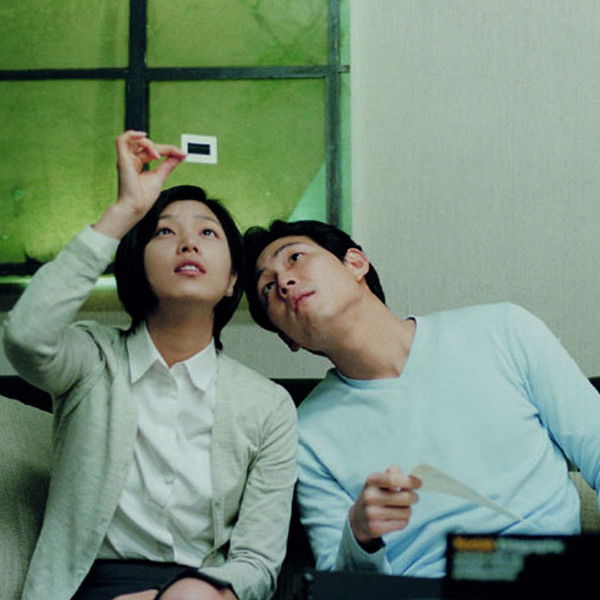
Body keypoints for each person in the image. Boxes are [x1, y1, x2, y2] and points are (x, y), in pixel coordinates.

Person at [3, 131, 297, 600]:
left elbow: (258, 563)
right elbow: (25, 336)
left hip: (201, 592)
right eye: (164, 231)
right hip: (88, 589)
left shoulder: (268, 405)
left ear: (232, 280)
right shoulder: (92, 360)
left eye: (207, 233)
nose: (188, 243)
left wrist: (195, 594)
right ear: (138, 264)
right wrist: (124, 212)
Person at [243, 219, 600, 578]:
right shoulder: (304, 434)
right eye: (267, 287)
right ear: (289, 339)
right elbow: (339, 582)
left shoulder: (503, 330)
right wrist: (360, 533)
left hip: (547, 575)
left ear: (355, 263)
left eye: (295, 258)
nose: (284, 283)